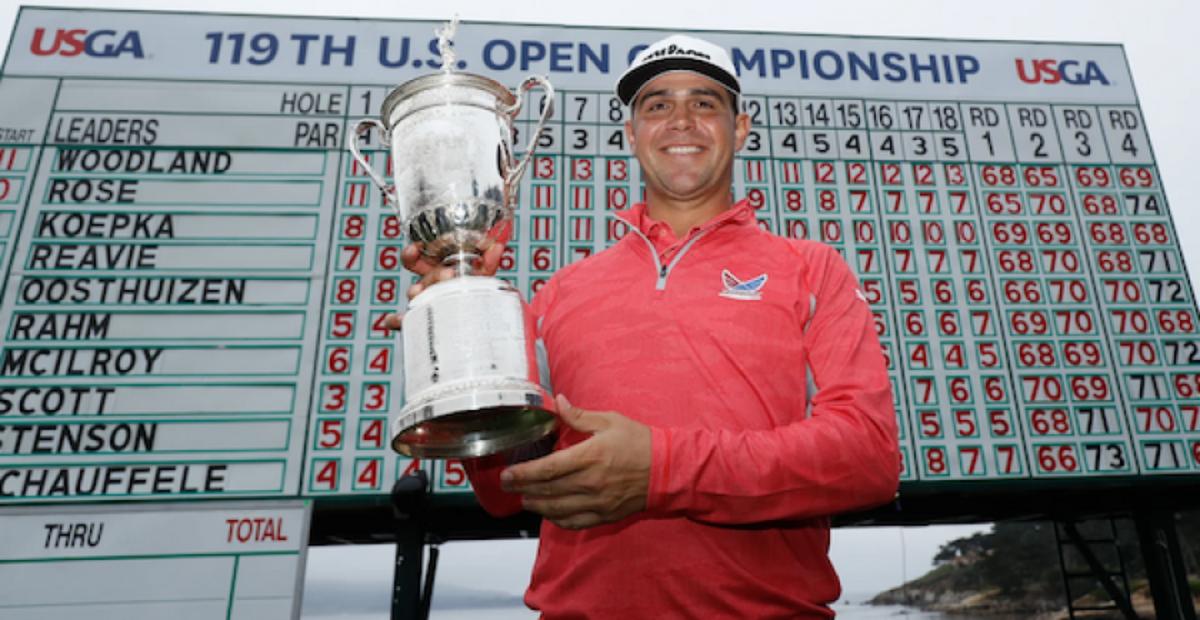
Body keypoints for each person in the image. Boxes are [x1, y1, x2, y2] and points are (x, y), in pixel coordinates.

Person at [395, 34, 900, 619]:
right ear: (632, 135)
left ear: (740, 130)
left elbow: (867, 459)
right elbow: (505, 489)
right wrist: (464, 336)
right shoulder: (560, 292)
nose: (681, 120)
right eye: (657, 105)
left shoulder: (812, 269)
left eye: (705, 103)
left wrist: (663, 470)